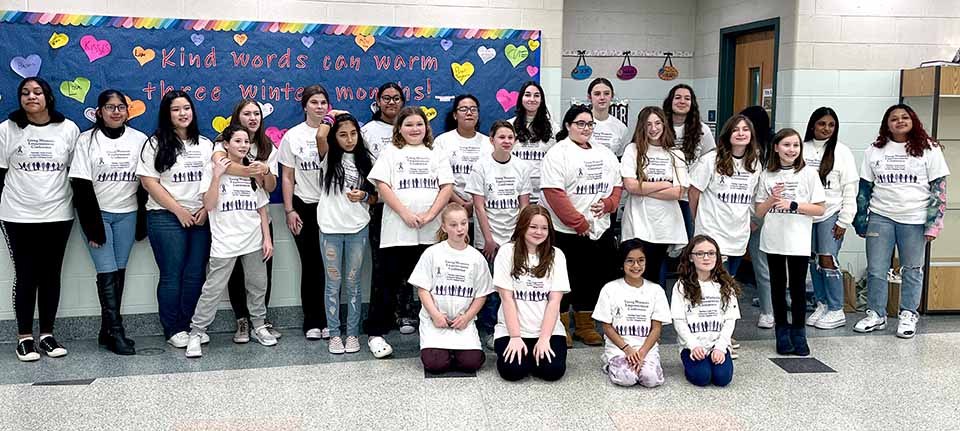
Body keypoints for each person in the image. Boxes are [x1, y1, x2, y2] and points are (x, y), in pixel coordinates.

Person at [0, 77, 80, 361]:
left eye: (37, 92)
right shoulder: (7, 129)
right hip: (17, 214)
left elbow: (75, 172)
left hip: (58, 214)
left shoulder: (68, 129)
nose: (31, 97)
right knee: (26, 275)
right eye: (25, 93)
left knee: (50, 275)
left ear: (48, 96)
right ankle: (24, 338)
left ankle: (47, 334)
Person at [853, 104, 949, 339]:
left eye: (904, 117)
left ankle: (908, 314)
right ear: (887, 124)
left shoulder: (930, 149)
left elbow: (939, 188)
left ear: (913, 120)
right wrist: (860, 219)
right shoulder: (874, 150)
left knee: (912, 269)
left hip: (915, 219)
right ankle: (876, 313)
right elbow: (864, 188)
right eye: (894, 118)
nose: (899, 121)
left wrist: (934, 224)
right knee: (876, 269)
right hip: (880, 216)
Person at [366, 106, 454, 358]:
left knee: (437, 283)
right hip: (398, 231)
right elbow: (382, 185)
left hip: (431, 230)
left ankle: (440, 331)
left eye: (419, 124)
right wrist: (405, 213)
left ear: (426, 127)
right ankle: (376, 333)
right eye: (408, 125)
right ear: (399, 129)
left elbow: (446, 187)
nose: (415, 129)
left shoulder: (436, 152)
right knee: (387, 284)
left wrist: (431, 215)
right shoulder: (391, 152)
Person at [185, 124, 275, 358]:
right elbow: (209, 205)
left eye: (246, 141)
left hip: (254, 239)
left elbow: (262, 208)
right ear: (226, 144)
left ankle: (259, 326)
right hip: (225, 242)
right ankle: (197, 332)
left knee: (257, 286)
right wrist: (216, 176)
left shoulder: (252, 170)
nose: (243, 145)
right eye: (237, 141)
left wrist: (267, 239)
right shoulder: (213, 169)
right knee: (212, 289)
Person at [70, 89, 148, 355]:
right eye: (109, 107)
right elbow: (80, 185)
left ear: (128, 111)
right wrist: (92, 226)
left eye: (121, 107)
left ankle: (106, 330)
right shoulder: (86, 141)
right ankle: (116, 331)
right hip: (98, 214)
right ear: (99, 111)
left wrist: (141, 221)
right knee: (106, 271)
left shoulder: (139, 140)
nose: (116, 111)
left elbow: (146, 183)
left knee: (119, 272)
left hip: (127, 213)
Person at [540, 105, 622, 347]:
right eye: (580, 123)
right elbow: (553, 193)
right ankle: (562, 325)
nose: (586, 128)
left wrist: (609, 204)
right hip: (567, 231)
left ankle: (585, 326)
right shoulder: (558, 153)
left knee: (592, 278)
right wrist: (578, 223)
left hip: (599, 229)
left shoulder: (604, 153)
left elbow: (617, 186)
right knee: (564, 279)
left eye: (589, 124)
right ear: (568, 126)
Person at [138, 90, 213, 349]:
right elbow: (149, 182)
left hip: (200, 217)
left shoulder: (205, 144)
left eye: (186, 108)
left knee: (195, 275)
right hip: (165, 217)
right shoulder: (155, 143)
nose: (183, 113)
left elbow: (214, 181)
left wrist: (204, 209)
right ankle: (173, 328)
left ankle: (193, 325)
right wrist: (178, 210)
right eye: (176, 109)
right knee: (172, 275)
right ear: (167, 114)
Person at [213, 99, 281, 343]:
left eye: (257, 114)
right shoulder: (222, 143)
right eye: (247, 113)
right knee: (235, 275)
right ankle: (242, 320)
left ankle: (260, 321)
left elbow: (271, 186)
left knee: (262, 274)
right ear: (237, 116)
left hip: (259, 218)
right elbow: (223, 167)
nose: (253, 118)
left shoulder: (267, 146)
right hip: (230, 220)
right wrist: (254, 170)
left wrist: (264, 172)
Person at [755, 128, 825, 356]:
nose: (791, 150)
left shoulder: (808, 174)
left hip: (798, 240)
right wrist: (772, 198)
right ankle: (781, 331)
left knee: (797, 288)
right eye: (786, 145)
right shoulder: (766, 175)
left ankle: (799, 332)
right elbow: (759, 212)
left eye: (796, 145)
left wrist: (793, 205)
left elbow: (820, 209)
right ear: (776, 147)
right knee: (777, 287)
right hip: (773, 239)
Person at [467, 120, 532, 348]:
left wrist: (519, 237)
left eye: (510, 137)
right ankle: (488, 330)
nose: (506, 141)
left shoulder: (522, 167)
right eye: (501, 137)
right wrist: (488, 239)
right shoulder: (481, 167)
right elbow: (479, 207)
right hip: (489, 239)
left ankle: (512, 328)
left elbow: (524, 206)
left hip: (515, 238)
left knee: (512, 285)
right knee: (490, 288)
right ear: (491, 140)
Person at [316, 112, 377, 354]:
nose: (349, 139)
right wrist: (333, 115)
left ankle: (352, 334)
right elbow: (321, 133)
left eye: (353, 133)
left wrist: (363, 196)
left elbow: (375, 196)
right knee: (333, 284)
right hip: (330, 229)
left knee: (353, 284)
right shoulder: (327, 156)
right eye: (343, 134)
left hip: (357, 229)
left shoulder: (366, 159)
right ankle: (334, 334)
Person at [410, 203, 493, 374]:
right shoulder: (432, 253)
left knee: (471, 364)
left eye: (463, 223)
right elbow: (423, 289)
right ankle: (443, 352)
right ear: (444, 227)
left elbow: (481, 294)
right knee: (435, 365)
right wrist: (436, 315)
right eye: (453, 225)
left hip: (463, 322)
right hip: (436, 321)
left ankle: (459, 351)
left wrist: (468, 317)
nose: (460, 229)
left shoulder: (476, 258)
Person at [494, 205, 569, 381]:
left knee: (553, 372)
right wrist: (515, 336)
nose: (538, 232)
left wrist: (544, 338)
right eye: (533, 227)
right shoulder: (507, 252)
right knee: (513, 372)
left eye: (544, 228)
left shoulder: (556, 255)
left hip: (548, 331)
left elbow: (554, 301)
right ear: (522, 226)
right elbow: (507, 298)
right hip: (512, 330)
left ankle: (535, 357)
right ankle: (526, 358)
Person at [277, 85, 328, 340]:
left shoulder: (335, 130)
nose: (319, 107)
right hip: (304, 206)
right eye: (314, 102)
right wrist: (289, 210)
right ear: (304, 106)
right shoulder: (293, 136)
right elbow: (287, 176)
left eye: (323, 102)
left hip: (332, 207)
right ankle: (312, 321)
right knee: (310, 266)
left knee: (331, 267)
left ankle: (330, 320)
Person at [801, 107, 858, 330]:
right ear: (813, 125)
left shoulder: (842, 152)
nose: (826, 128)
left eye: (831, 125)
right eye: (822, 124)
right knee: (813, 260)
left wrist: (845, 220)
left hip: (831, 213)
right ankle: (822, 303)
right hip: (805, 214)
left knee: (827, 258)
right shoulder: (802, 148)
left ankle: (836, 308)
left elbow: (850, 189)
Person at [620, 106, 688, 287]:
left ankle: (657, 313)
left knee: (658, 273)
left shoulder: (676, 154)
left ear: (664, 125)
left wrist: (645, 187)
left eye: (658, 123)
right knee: (638, 271)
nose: (653, 128)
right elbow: (630, 186)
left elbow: (679, 192)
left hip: (664, 224)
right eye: (648, 124)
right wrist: (664, 184)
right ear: (641, 126)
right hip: (639, 221)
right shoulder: (632, 150)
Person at [688, 114, 761, 276]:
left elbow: (753, 196)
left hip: (738, 234)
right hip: (712, 231)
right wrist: (696, 218)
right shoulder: (711, 160)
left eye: (745, 129)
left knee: (730, 280)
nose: (741, 133)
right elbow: (693, 193)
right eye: (735, 130)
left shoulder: (755, 163)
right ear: (728, 134)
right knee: (716, 281)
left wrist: (752, 221)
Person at [592, 239, 671, 388]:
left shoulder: (656, 290)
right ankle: (610, 364)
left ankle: (648, 364)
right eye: (630, 261)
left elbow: (656, 328)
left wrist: (642, 352)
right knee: (626, 378)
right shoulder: (610, 289)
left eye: (641, 260)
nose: (636, 266)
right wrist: (627, 349)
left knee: (650, 379)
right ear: (622, 263)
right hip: (619, 348)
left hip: (646, 348)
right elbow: (607, 327)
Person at [361, 82, 405, 340]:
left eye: (396, 98)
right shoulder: (367, 131)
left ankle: (405, 312)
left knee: (409, 262)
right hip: (379, 205)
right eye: (386, 98)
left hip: (410, 206)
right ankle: (382, 317)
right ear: (377, 101)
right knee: (383, 265)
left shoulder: (410, 127)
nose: (391, 102)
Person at [671, 235, 741, 387]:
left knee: (722, 379)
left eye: (711, 253)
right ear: (691, 257)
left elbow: (730, 320)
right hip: (694, 344)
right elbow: (679, 321)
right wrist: (693, 345)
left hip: (717, 344)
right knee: (702, 378)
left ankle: (715, 358)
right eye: (700, 253)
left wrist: (721, 347)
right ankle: (691, 361)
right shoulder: (681, 286)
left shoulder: (725, 285)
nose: (706, 258)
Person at [663, 84, 716, 239]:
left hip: (689, 196)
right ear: (670, 101)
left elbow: (711, 159)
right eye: (678, 97)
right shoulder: (659, 127)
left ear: (692, 103)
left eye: (687, 98)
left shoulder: (702, 130)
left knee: (687, 240)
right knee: (664, 242)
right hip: (664, 193)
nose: (682, 101)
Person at [740, 106, 775, 329]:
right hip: (735, 214)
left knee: (761, 264)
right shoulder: (741, 148)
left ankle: (768, 311)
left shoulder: (770, 150)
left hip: (761, 215)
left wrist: (757, 219)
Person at [434, 94, 491, 221]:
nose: (469, 113)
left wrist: (475, 203)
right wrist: (461, 203)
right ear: (455, 115)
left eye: (473, 109)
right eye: (463, 109)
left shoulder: (489, 143)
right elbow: (437, 177)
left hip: (483, 209)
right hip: (450, 207)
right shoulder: (442, 141)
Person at [508, 81, 557, 205]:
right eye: (528, 95)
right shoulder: (509, 126)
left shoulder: (554, 128)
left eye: (536, 95)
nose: (532, 99)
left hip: (544, 193)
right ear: (521, 98)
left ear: (541, 100)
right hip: (515, 192)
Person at [586, 78, 631, 157]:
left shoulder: (621, 128)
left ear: (612, 96)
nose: (602, 97)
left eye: (606, 93)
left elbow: (621, 156)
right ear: (589, 97)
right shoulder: (580, 124)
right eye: (597, 94)